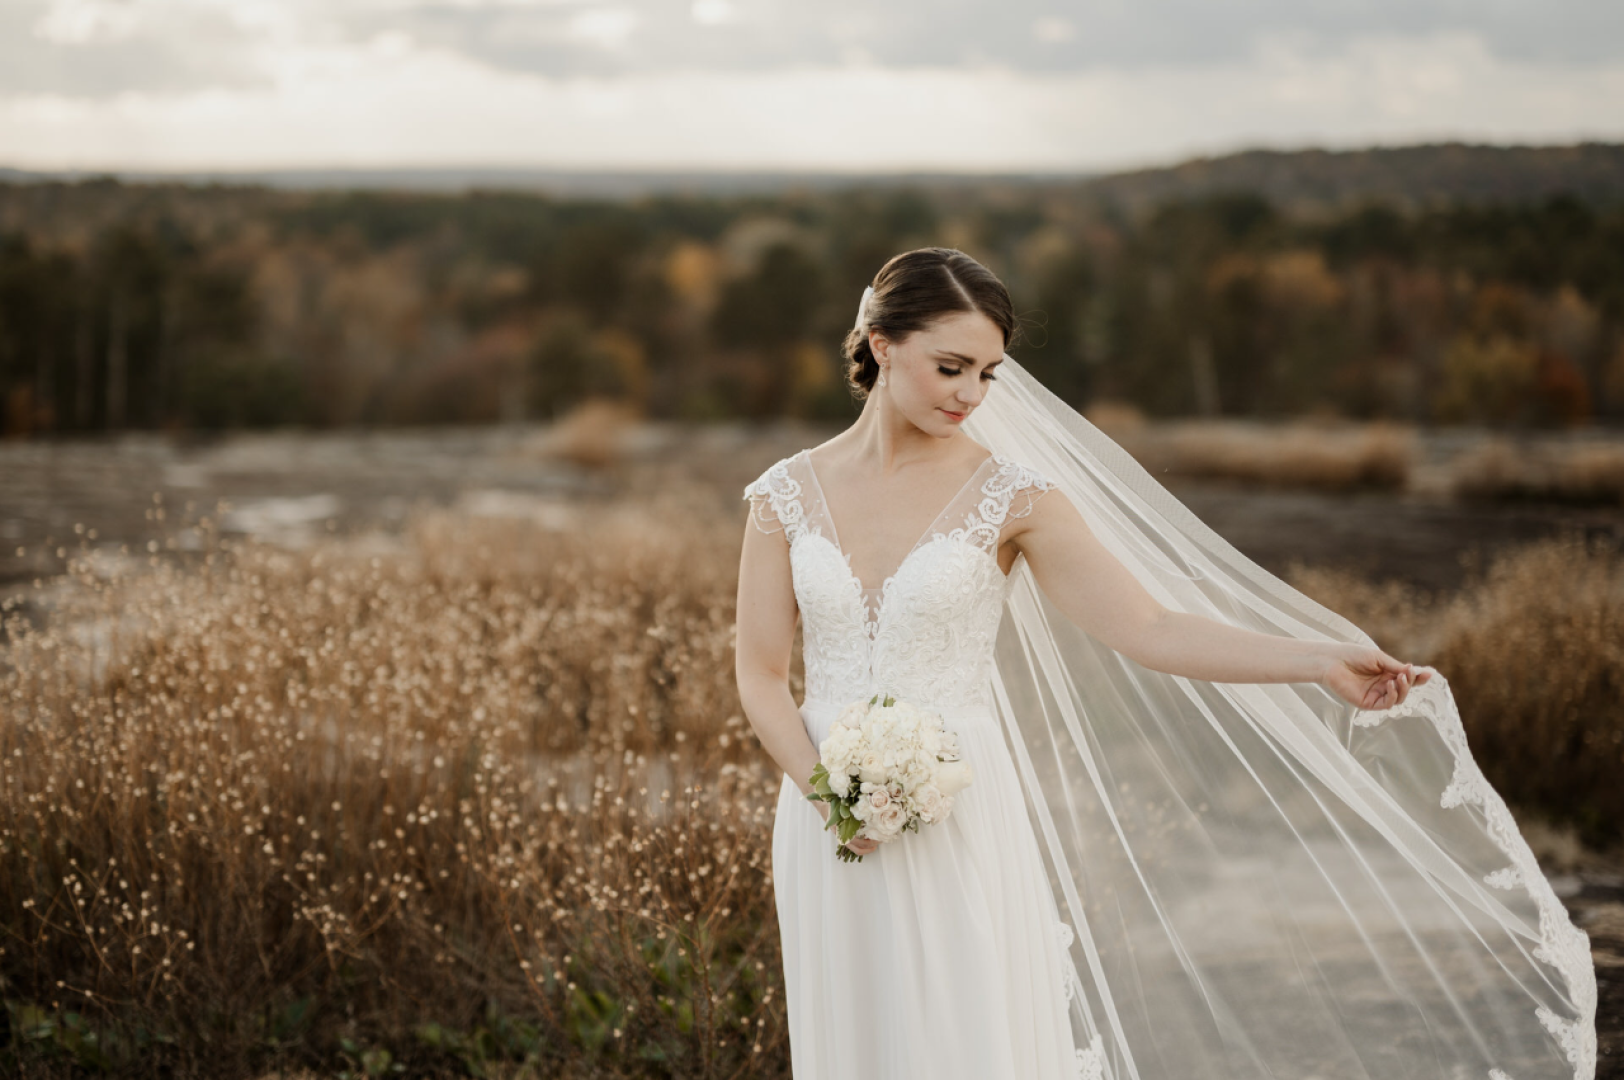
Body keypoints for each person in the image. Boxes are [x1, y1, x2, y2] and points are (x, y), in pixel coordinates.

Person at [734, 247, 1596, 1080]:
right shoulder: (784, 495)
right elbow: (763, 676)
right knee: (855, 1034)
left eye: (989, 373)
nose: (972, 394)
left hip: (958, 806)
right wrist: (834, 803)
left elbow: (1149, 626)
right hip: (825, 814)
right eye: (952, 367)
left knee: (966, 1030)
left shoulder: (1013, 496)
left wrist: (1318, 659)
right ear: (882, 343)